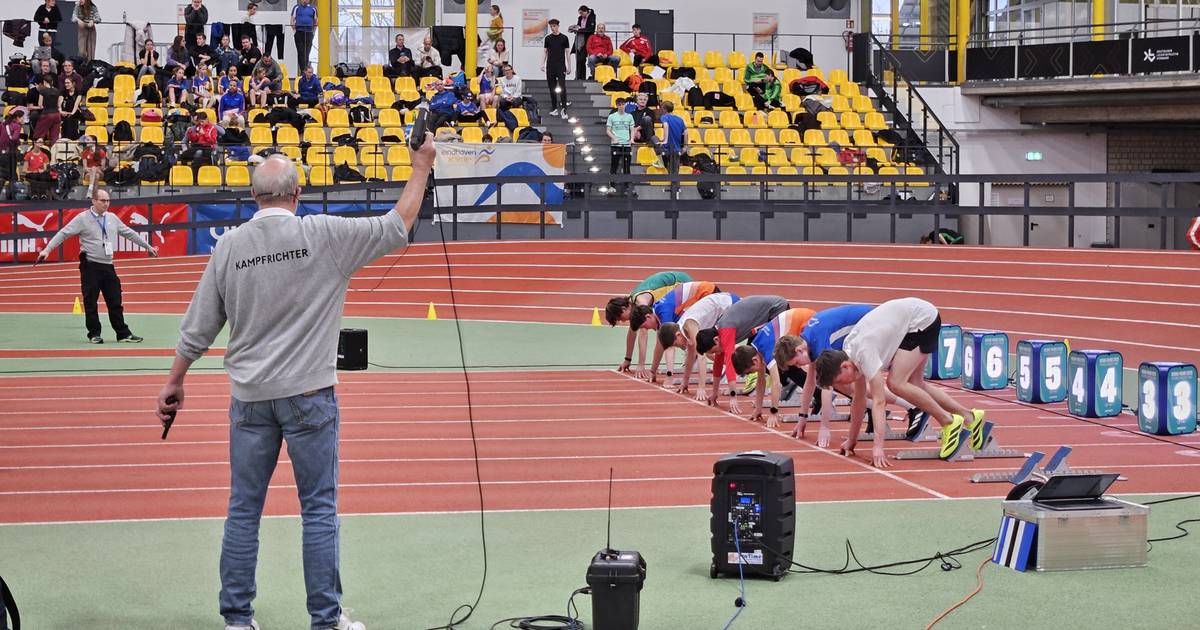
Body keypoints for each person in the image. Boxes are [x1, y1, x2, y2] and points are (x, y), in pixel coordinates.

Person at [155, 135, 436, 630]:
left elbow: (199, 325)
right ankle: (325, 620)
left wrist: (175, 380)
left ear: (253, 196)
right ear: (297, 192)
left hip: (250, 400)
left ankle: (237, 619)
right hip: (309, 396)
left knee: (244, 511)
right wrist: (420, 167)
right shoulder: (323, 234)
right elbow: (397, 225)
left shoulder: (230, 246)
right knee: (319, 511)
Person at [813, 298, 987, 468]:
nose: (842, 385)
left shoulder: (864, 353)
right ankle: (970, 418)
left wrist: (878, 447)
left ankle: (948, 421)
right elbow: (858, 400)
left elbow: (879, 402)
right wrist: (852, 440)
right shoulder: (850, 353)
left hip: (921, 320)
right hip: (914, 318)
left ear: (844, 366)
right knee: (915, 384)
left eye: (839, 381)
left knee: (896, 383)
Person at [37, 188, 157, 342]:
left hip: (108, 265)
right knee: (91, 301)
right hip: (90, 265)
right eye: (103, 201)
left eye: (108, 201)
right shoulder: (82, 218)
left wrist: (148, 247)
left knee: (115, 300)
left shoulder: (112, 218)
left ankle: (123, 333)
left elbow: (129, 233)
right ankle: (94, 334)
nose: (106, 204)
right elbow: (63, 233)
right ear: (94, 201)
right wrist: (47, 250)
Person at [694, 295, 792, 409]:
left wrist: (733, 396)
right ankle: (786, 381)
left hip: (776, 309)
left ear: (716, 340)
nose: (717, 353)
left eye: (714, 351)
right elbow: (718, 364)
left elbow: (729, 364)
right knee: (753, 358)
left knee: (765, 355)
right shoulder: (720, 332)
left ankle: (790, 380)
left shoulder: (726, 330)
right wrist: (714, 393)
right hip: (764, 316)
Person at [730, 307, 817, 427]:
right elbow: (761, 382)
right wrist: (758, 408)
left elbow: (776, 383)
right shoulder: (756, 347)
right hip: (800, 318)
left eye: (750, 372)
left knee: (802, 363)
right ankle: (818, 392)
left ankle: (823, 394)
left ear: (754, 360)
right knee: (787, 365)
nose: (752, 374)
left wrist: (773, 412)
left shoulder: (766, 351)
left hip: (807, 320)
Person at [629, 281, 724, 381]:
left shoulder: (664, 313)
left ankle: (726, 364)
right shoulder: (658, 312)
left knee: (703, 342)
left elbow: (670, 347)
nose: (647, 329)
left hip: (707, 293)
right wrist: (653, 371)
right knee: (691, 340)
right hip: (703, 293)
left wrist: (669, 376)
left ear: (648, 316)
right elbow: (661, 344)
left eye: (645, 326)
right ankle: (698, 361)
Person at [655, 292, 740, 396]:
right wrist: (685, 382)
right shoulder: (683, 328)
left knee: (719, 348)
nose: (679, 347)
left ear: (678, 335)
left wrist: (701, 388)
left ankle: (740, 365)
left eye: (676, 344)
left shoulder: (689, 325)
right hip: (721, 309)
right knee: (714, 348)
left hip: (731, 304)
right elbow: (691, 355)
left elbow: (701, 356)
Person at [542, 19, 570, 118]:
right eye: (551, 26)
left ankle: (564, 109)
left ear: (558, 26)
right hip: (550, 66)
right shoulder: (548, 38)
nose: (552, 28)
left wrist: (569, 66)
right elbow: (545, 52)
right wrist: (542, 63)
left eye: (554, 26)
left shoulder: (564, 38)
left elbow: (567, 53)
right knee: (552, 88)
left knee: (562, 87)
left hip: (561, 66)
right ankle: (554, 108)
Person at [605, 96, 634, 195]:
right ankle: (612, 186)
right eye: (619, 105)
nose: (621, 106)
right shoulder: (612, 116)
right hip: (616, 145)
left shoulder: (629, 116)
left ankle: (627, 187)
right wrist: (614, 138)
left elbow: (632, 129)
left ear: (625, 105)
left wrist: (631, 139)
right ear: (617, 105)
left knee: (627, 167)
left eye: (623, 104)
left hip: (626, 145)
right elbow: (608, 130)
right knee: (614, 166)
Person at [184, 110, 218, 176]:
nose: (201, 123)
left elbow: (213, 141)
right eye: (200, 122)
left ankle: (195, 176)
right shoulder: (199, 127)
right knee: (184, 155)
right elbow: (195, 139)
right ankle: (186, 174)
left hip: (208, 148)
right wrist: (190, 133)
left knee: (198, 152)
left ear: (207, 119)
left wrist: (204, 134)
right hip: (199, 146)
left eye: (202, 121)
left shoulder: (212, 128)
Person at [30, 74, 62, 143]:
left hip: (47, 114)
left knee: (39, 135)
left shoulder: (42, 91)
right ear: (52, 82)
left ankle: (37, 148)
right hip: (57, 115)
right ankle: (53, 149)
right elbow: (59, 105)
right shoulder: (57, 91)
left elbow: (40, 105)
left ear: (44, 82)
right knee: (54, 137)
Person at [568, 5, 595, 81]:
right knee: (579, 60)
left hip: (587, 41)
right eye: (580, 13)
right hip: (579, 40)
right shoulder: (580, 18)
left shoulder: (592, 17)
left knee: (582, 59)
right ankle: (579, 76)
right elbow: (578, 27)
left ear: (586, 11)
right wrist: (574, 29)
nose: (581, 15)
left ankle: (582, 77)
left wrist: (579, 30)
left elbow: (591, 29)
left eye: (582, 13)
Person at [659, 101, 686, 174]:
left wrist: (665, 140)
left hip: (667, 148)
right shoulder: (680, 119)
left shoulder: (664, 117)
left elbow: (666, 125)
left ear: (664, 109)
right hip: (677, 149)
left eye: (661, 108)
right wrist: (685, 146)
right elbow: (686, 133)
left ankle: (659, 160)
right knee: (675, 172)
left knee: (654, 139)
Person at [292, 0, 318, 73]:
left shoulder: (313, 8)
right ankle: (303, 70)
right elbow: (292, 19)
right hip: (299, 32)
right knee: (300, 51)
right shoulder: (296, 7)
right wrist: (294, 31)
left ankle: (305, 70)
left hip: (309, 32)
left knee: (307, 52)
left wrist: (313, 32)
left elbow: (316, 21)